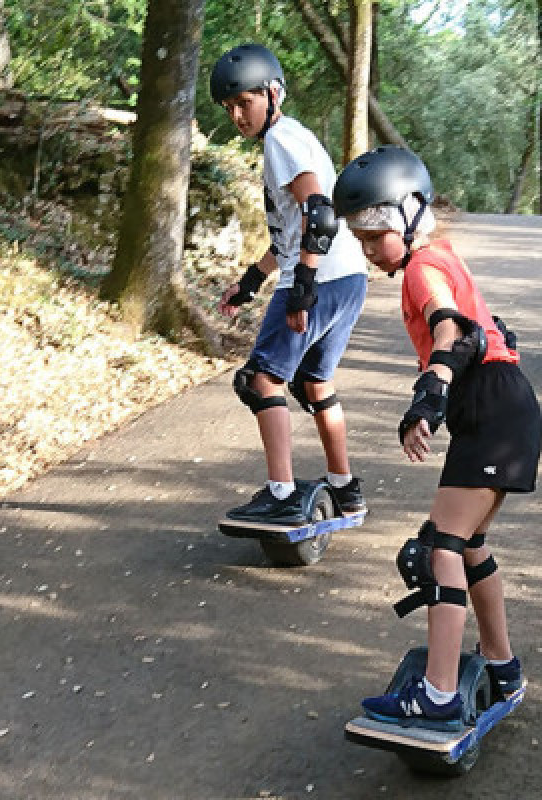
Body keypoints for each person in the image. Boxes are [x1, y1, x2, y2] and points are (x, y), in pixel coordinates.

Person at [333, 146, 542, 731]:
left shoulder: (424, 268)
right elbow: (481, 329)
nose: (370, 248)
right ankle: (502, 667)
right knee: (467, 544)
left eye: (377, 234)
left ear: (410, 214)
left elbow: (450, 327)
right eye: (360, 237)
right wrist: (440, 394)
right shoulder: (441, 256)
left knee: (436, 551)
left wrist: (432, 391)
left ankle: (439, 694)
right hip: (503, 407)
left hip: (492, 407)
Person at [210, 43, 370, 525]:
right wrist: (255, 277)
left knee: (261, 380)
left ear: (273, 93)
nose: (238, 115)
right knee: (314, 382)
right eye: (230, 107)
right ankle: (344, 489)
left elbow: (318, 214)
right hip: (349, 277)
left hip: (320, 279)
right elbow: (296, 226)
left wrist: (301, 286)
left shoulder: (281, 141)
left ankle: (281, 495)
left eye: (246, 102)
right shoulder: (294, 138)